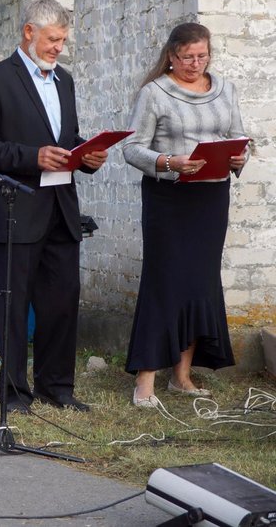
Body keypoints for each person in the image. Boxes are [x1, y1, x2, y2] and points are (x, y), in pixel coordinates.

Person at [0, 0, 107, 414]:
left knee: (62, 301)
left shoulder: (65, 80)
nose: (58, 47)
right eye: (52, 39)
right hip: (15, 209)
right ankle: (13, 392)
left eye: (63, 40)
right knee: (13, 304)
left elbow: (69, 138)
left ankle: (57, 387)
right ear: (29, 32)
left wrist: (88, 154)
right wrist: (32, 157)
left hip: (62, 208)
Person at [121, 23, 248, 408]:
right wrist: (167, 161)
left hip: (211, 198)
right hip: (168, 199)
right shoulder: (154, 93)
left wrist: (241, 157)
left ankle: (182, 375)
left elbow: (238, 136)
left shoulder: (225, 89)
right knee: (165, 282)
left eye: (202, 56)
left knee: (199, 283)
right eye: (187, 57)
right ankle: (145, 380)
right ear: (172, 56)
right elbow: (131, 148)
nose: (196, 64)